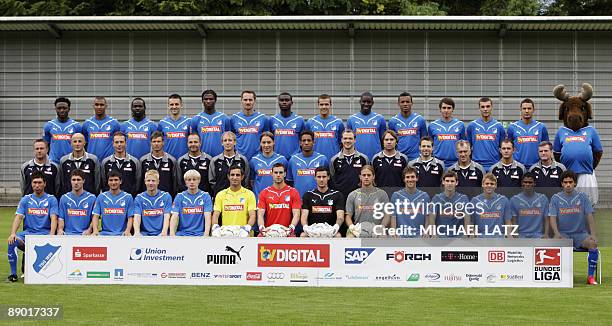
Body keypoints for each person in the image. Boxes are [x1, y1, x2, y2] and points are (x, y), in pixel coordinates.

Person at [548, 170, 599, 285]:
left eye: (570, 182)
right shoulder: (555, 198)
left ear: (575, 183)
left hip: (580, 234)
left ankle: (590, 277)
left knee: (592, 244)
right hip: (564, 234)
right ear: (562, 183)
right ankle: (563, 276)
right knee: (556, 243)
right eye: (565, 182)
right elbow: (552, 217)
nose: (568, 185)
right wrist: (556, 233)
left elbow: (589, 216)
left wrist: (593, 234)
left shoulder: (583, 197)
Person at [7, 171, 58, 282]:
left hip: (44, 234)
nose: (37, 185)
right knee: (12, 241)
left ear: (45, 184)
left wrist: (51, 235)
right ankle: (13, 275)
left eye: (39, 182)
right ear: (31, 184)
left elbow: (54, 218)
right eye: (34, 182)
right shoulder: (26, 199)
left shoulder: (51, 199)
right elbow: (19, 217)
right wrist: (13, 233)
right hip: (28, 234)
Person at [553, 119, 603, 205]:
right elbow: (556, 153)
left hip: (586, 173)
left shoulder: (591, 130)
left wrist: (588, 165)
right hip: (567, 174)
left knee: (588, 202)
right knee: (567, 202)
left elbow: (598, 152)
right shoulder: (561, 131)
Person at [345, 165, 390, 237]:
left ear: (373, 176)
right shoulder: (353, 194)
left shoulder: (382, 194)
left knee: (383, 236)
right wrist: (352, 227)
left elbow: (387, 215)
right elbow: (348, 216)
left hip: (376, 228)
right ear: (360, 177)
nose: (366, 177)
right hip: (358, 228)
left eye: (369, 175)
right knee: (350, 237)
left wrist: (381, 227)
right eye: (364, 175)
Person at [257, 163, 301, 234]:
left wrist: (291, 228)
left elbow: (296, 214)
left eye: (280, 172)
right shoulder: (264, 193)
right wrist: (262, 228)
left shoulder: (293, 192)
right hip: (269, 232)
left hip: (287, 231)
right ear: (272, 174)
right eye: (275, 172)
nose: (278, 175)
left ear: (285, 174)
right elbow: (260, 215)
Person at [301, 167, 345, 238]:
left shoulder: (337, 195)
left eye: (324, 177)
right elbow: (304, 216)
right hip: (313, 230)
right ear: (315, 178)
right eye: (319, 177)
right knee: (303, 235)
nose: (321, 179)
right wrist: (306, 227)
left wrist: (336, 227)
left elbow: (340, 217)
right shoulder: (308, 195)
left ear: (328, 177)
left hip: (330, 230)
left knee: (338, 236)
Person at [212, 165, 256, 233]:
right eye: (232, 175)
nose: (235, 177)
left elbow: (252, 215)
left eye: (237, 175)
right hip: (226, 233)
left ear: (242, 177)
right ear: (228, 176)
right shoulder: (220, 194)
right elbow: (215, 214)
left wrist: (247, 228)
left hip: (244, 234)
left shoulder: (249, 194)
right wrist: (215, 226)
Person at [506, 99, 549, 169]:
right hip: (517, 166)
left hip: (537, 166)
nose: (526, 111)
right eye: (524, 108)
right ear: (520, 110)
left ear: (533, 110)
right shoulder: (512, 127)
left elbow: (546, 148)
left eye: (529, 108)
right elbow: (508, 148)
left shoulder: (541, 127)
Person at [467, 173, 512, 238]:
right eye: (487, 183)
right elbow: (471, 223)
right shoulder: (474, 201)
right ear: (482, 184)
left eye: (492, 184)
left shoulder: (504, 200)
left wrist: (509, 237)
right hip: (480, 239)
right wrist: (472, 237)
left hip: (499, 239)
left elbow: (508, 222)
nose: (489, 185)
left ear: (496, 185)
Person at [169, 170, 213, 236]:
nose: (191, 182)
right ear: (185, 182)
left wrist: (206, 234)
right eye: (189, 180)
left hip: (200, 234)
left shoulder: (205, 196)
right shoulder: (179, 196)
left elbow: (207, 216)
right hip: (182, 234)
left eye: (194, 179)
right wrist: (172, 234)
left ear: (199, 181)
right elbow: (174, 216)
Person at [466, 97, 505, 171]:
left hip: (494, 165)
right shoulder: (472, 126)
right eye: (482, 107)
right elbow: (468, 147)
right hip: (476, 165)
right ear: (479, 108)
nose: (485, 109)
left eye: (488, 106)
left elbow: (502, 148)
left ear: (492, 108)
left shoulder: (499, 126)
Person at [390, 167, 431, 238]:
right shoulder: (396, 195)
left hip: (419, 235)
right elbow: (393, 216)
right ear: (404, 179)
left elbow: (427, 216)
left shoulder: (425, 196)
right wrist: (393, 231)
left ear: (417, 178)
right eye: (407, 177)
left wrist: (426, 231)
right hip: (401, 235)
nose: (410, 179)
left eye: (412, 177)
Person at [427, 171, 470, 238]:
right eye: (447, 181)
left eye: (452, 181)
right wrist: (433, 234)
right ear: (443, 182)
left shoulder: (463, 198)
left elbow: (467, 218)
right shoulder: (436, 198)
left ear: (456, 183)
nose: (449, 183)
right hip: (441, 236)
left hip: (458, 236)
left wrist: (466, 234)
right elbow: (432, 217)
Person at [190, 89, 231, 157]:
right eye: (206, 99)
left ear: (215, 100)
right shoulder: (195, 119)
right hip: (202, 158)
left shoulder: (224, 118)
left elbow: (230, 140)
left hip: (221, 157)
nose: (208, 101)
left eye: (211, 99)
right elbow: (193, 141)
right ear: (202, 101)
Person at [91, 171, 134, 236]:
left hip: (122, 234)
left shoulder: (128, 197)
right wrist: (95, 230)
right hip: (104, 234)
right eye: (111, 180)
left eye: (116, 180)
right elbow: (95, 215)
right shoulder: (101, 197)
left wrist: (127, 231)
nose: (113, 182)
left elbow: (130, 217)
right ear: (108, 182)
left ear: (121, 181)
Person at [330, 129, 369, 200]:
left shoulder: (364, 158)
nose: (347, 141)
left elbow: (368, 179)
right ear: (341, 140)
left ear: (355, 140)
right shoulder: (334, 160)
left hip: (359, 198)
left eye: (350, 138)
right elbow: (332, 179)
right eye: (345, 138)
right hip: (340, 198)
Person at [347, 92, 387, 161]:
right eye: (364, 101)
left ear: (372, 103)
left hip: (376, 158)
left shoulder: (380, 119)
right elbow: (348, 140)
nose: (366, 104)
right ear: (360, 102)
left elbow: (383, 140)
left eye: (369, 102)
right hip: (356, 158)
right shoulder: (351, 119)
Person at [287, 131, 329, 197]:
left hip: (318, 199)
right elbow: (290, 182)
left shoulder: (322, 159)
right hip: (298, 199)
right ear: (300, 143)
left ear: (313, 142)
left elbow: (327, 181)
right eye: (304, 140)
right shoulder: (293, 160)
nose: (306, 143)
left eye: (309, 140)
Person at [388, 92, 428, 161]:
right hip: (399, 158)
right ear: (398, 104)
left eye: (407, 102)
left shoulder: (420, 120)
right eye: (402, 102)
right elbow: (390, 140)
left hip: (416, 158)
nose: (405, 104)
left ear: (412, 103)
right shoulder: (393, 121)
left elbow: (424, 140)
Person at [428, 97, 466, 168]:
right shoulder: (432, 125)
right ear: (440, 109)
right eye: (444, 108)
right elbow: (430, 144)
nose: (446, 110)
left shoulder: (460, 125)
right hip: (437, 163)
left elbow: (463, 145)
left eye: (449, 108)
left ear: (452, 109)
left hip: (456, 163)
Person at [209, 131, 250, 196]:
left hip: (239, 197)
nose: (227, 143)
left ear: (235, 142)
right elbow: (212, 181)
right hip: (221, 198)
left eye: (230, 140)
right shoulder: (215, 161)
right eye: (225, 140)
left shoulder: (243, 160)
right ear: (222, 143)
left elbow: (246, 180)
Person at [305, 94, 345, 161]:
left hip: (334, 160)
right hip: (315, 161)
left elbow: (342, 143)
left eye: (326, 104)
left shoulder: (338, 122)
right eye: (321, 104)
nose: (324, 107)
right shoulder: (310, 122)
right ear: (318, 105)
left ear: (330, 105)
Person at [100, 131, 141, 196]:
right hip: (111, 200)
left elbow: (138, 183)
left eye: (121, 142)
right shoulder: (105, 162)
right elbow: (104, 182)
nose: (119, 144)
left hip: (129, 200)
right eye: (116, 142)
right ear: (113, 144)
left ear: (126, 143)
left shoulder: (134, 162)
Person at [231, 90, 269, 159]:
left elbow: (267, 139)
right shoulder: (234, 118)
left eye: (250, 100)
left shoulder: (263, 118)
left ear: (254, 101)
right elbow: (231, 138)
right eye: (245, 100)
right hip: (239, 158)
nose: (248, 102)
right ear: (241, 101)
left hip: (257, 158)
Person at [140, 131, 179, 197]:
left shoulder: (172, 160)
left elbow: (175, 183)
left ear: (163, 143)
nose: (156, 144)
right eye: (154, 142)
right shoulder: (143, 160)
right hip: (147, 198)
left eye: (158, 141)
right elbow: (140, 182)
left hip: (166, 199)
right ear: (151, 143)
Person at [133, 170, 173, 236]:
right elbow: (137, 216)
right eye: (148, 180)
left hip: (161, 234)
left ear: (158, 182)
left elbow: (167, 216)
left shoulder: (166, 196)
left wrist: (164, 232)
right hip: (144, 234)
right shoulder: (139, 198)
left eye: (153, 181)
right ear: (145, 181)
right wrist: (137, 232)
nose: (151, 183)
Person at [43, 97, 81, 164]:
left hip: (71, 162)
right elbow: (46, 145)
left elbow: (81, 145)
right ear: (55, 109)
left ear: (69, 109)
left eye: (64, 108)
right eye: (59, 108)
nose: (62, 110)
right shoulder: (48, 125)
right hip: (53, 162)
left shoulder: (76, 126)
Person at [81, 96, 121, 162]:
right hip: (91, 161)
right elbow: (84, 144)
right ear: (93, 106)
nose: (99, 107)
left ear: (106, 106)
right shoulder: (87, 123)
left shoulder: (114, 123)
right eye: (96, 105)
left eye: (101, 105)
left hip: (109, 161)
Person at [57, 169, 96, 236]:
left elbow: (94, 218)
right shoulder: (64, 198)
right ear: (70, 181)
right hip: (68, 234)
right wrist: (60, 230)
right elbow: (61, 218)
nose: (76, 182)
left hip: (85, 235)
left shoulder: (92, 198)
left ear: (83, 181)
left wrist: (89, 230)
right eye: (73, 180)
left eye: (78, 180)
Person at [249, 132, 287, 199]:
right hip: (259, 200)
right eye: (264, 142)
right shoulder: (254, 161)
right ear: (260, 143)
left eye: (269, 142)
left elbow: (286, 181)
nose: (266, 145)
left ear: (273, 142)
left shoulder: (282, 160)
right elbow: (252, 181)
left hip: (277, 201)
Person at [510, 172, 549, 238]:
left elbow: (547, 219)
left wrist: (546, 234)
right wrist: (515, 235)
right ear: (522, 183)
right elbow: (513, 220)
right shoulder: (514, 200)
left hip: (538, 235)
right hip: (521, 235)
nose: (527, 184)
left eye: (530, 182)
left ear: (534, 183)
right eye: (525, 182)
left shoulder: (543, 199)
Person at [270, 92, 304, 160]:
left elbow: (303, 140)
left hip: (295, 158)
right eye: (282, 100)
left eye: (287, 100)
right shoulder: (272, 120)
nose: (284, 102)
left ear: (291, 103)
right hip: (276, 158)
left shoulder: (299, 120)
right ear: (278, 103)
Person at [157, 94, 190, 160]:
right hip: (167, 160)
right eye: (172, 104)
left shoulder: (189, 122)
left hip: (185, 160)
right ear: (168, 106)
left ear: (181, 105)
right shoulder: (162, 123)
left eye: (176, 104)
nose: (174, 107)